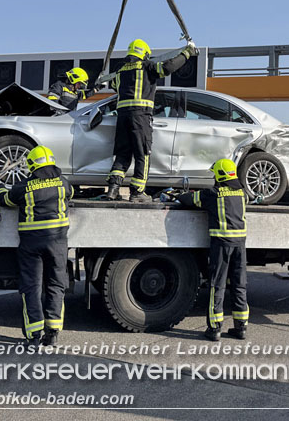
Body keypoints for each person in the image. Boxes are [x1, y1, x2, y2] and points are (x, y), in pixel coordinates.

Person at [0, 145, 73, 347]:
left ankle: (33, 335)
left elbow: (6, 200)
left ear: (31, 165)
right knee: (56, 285)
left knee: (32, 288)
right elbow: (70, 194)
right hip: (57, 243)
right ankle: (53, 332)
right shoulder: (63, 183)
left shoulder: (23, 186)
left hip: (31, 245)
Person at [105, 39, 196, 202]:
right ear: (144, 53)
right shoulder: (147, 66)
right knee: (142, 154)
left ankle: (113, 190)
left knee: (122, 154)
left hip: (122, 117)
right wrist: (187, 53)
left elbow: (114, 85)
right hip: (140, 116)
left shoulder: (119, 70)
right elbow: (168, 67)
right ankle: (137, 192)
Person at [177, 158, 249, 341]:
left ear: (220, 174)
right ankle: (241, 328)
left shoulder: (213, 193)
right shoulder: (242, 192)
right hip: (240, 244)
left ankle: (215, 329)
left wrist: (177, 195)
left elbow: (190, 200)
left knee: (217, 285)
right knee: (239, 285)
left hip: (222, 245)